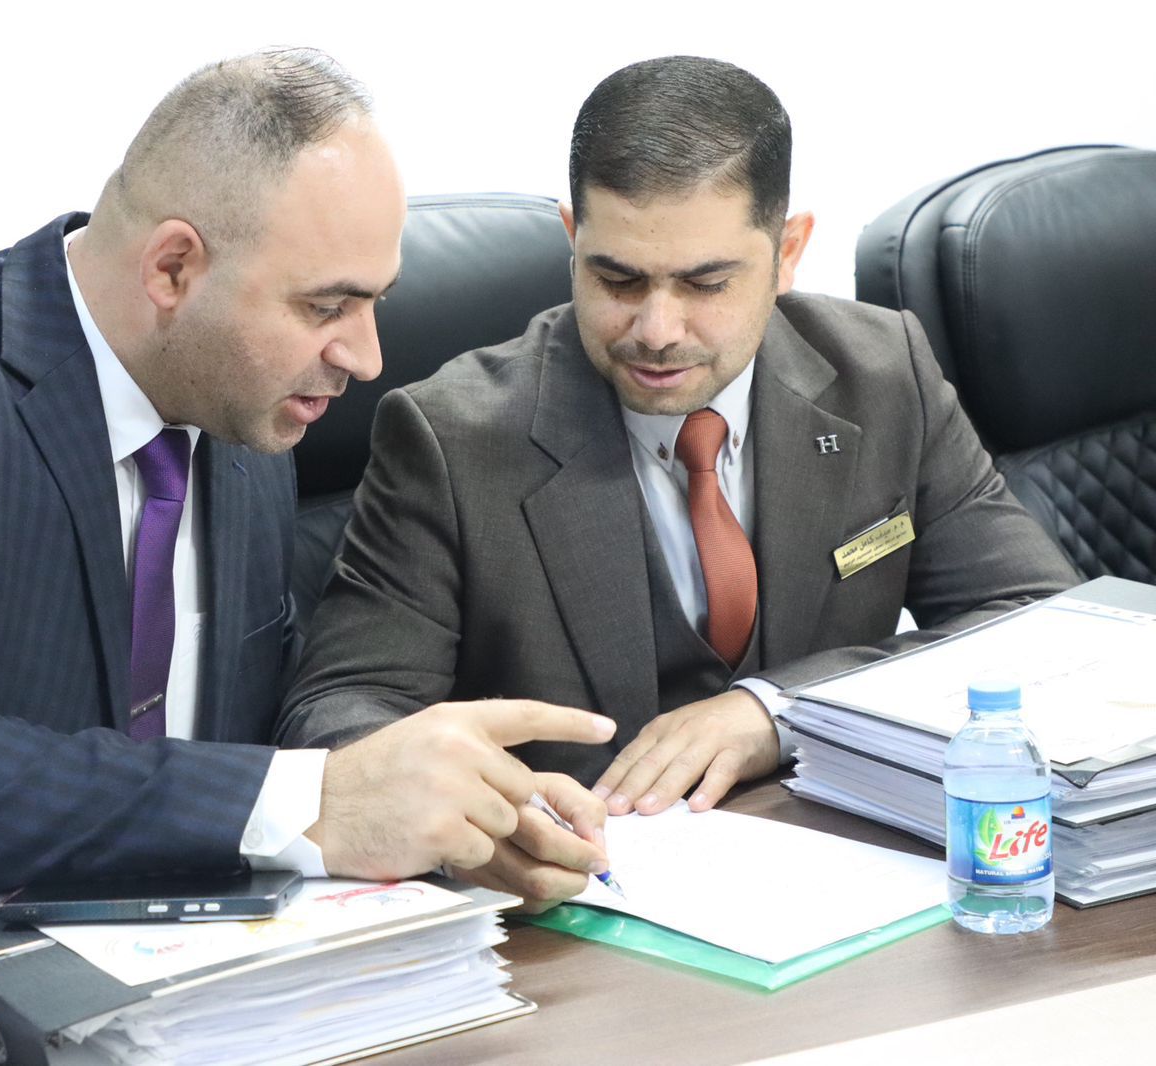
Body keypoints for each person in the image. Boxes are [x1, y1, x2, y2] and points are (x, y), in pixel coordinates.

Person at [0, 49, 616, 893]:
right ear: (173, 268)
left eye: (374, 302)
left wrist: (452, 809)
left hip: (86, 963)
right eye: (325, 306)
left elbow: (238, 741)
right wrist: (314, 802)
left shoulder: (242, 414)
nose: (366, 356)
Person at [277, 55, 1078, 910]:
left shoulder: (884, 376)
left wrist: (778, 711)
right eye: (617, 279)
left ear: (788, 253)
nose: (657, 330)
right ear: (572, 241)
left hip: (843, 889)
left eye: (706, 283)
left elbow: (1048, 627)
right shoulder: (451, 436)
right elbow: (338, 717)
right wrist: (480, 812)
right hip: (576, 911)